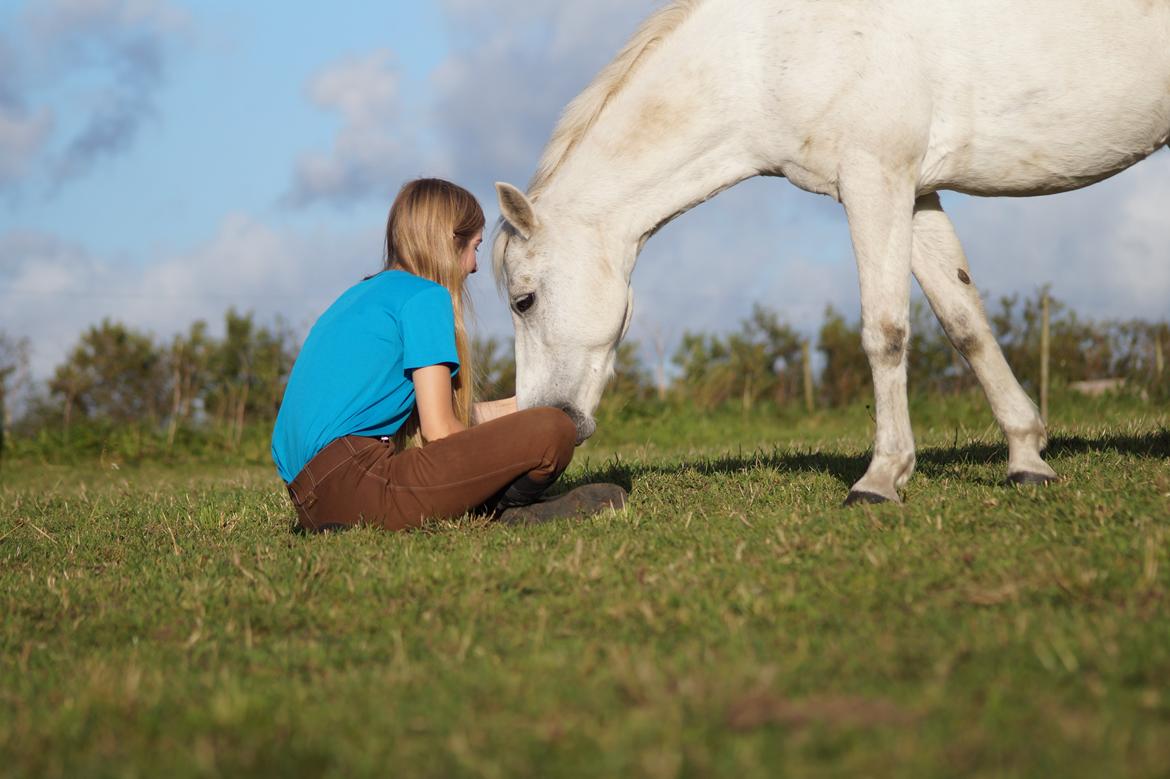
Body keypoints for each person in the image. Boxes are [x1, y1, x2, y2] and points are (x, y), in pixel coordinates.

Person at [271, 178, 626, 532]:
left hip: (315, 500)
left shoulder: (364, 294)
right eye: (475, 247)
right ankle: (500, 512)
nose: (474, 266)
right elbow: (440, 430)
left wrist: (525, 406)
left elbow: (443, 413)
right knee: (553, 431)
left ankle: (495, 508)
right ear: (447, 242)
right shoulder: (424, 297)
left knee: (540, 419)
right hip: (363, 488)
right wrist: (544, 423)